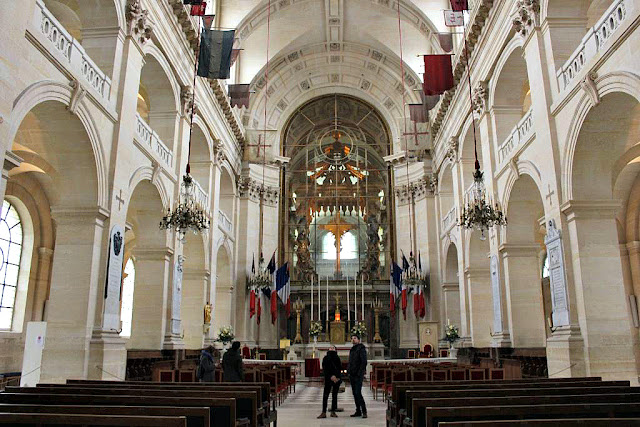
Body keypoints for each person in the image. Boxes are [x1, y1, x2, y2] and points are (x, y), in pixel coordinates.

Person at [317, 345, 342, 419]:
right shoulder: (325, 358)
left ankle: (333, 411)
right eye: (330, 348)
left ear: (335, 350)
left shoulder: (337, 358)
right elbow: (325, 369)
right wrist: (331, 376)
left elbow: (339, 368)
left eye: (333, 348)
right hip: (328, 378)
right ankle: (323, 412)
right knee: (325, 396)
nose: (331, 349)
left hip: (336, 379)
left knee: (335, 396)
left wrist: (336, 377)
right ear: (328, 349)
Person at [347, 333, 367, 418]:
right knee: (354, 394)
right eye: (352, 338)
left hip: (358, 375)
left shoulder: (361, 349)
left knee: (358, 393)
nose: (353, 340)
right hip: (352, 374)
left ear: (359, 340)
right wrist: (349, 371)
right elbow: (351, 361)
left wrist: (360, 373)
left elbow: (363, 362)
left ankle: (364, 411)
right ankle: (358, 410)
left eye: (355, 338)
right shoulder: (352, 349)